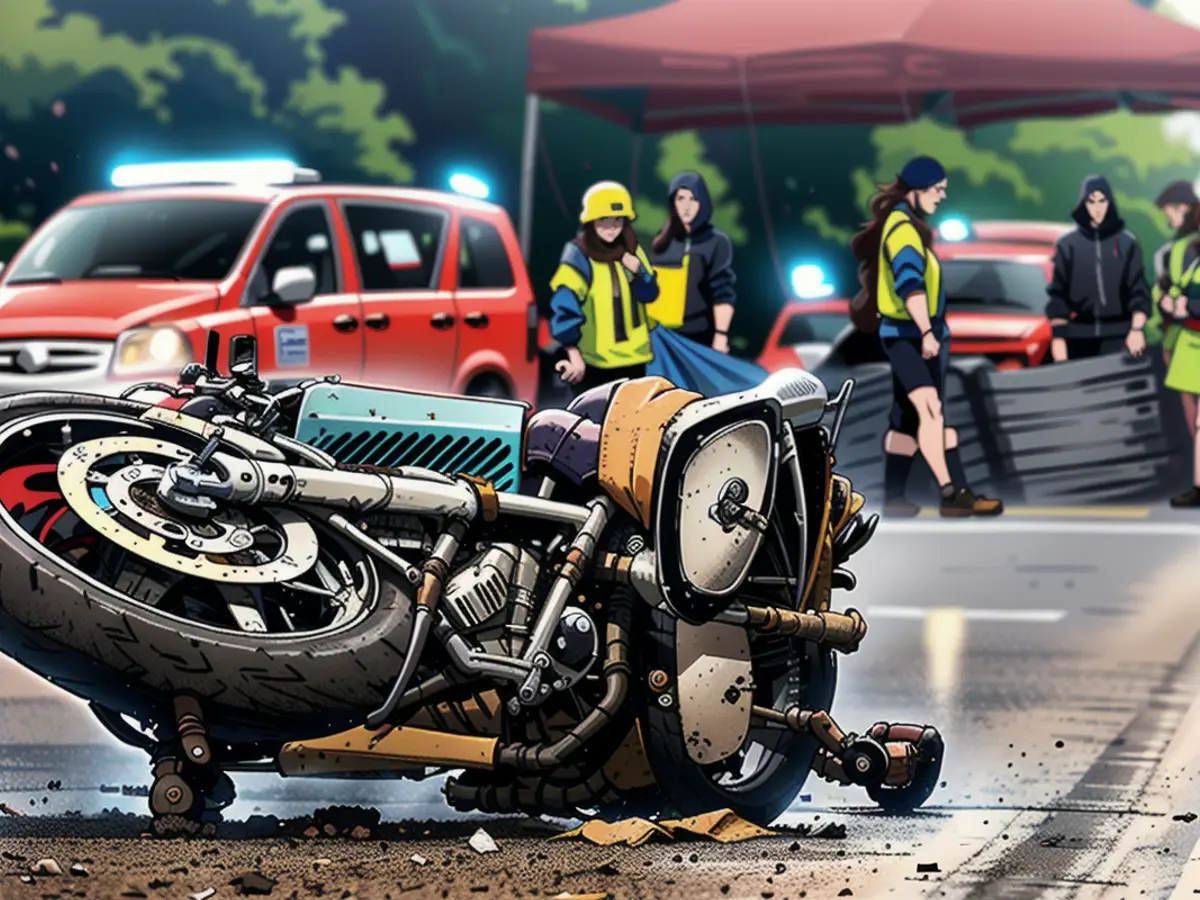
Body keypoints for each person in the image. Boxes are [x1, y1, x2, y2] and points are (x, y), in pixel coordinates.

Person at [848, 155, 1004, 519]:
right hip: (910, 336)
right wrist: (927, 332)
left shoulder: (903, 224)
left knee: (906, 419)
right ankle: (952, 493)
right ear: (917, 190)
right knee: (931, 410)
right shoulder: (903, 230)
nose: (942, 196)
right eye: (937, 189)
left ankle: (895, 498)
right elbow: (910, 284)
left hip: (906, 333)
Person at [641, 170, 767, 395]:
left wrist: (721, 335)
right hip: (661, 337)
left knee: (704, 392)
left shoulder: (716, 241)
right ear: (673, 203)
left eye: (693, 198)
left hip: (700, 336)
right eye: (681, 198)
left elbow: (722, 291)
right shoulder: (662, 241)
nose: (687, 206)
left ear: (703, 202)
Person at [548, 181, 659, 396]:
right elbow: (564, 307)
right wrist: (573, 352)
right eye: (604, 220)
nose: (612, 227)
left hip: (636, 360)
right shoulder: (579, 255)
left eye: (618, 220)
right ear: (591, 221)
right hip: (594, 365)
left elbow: (650, 294)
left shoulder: (632, 249)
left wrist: (638, 273)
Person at [1046, 175, 1151, 362]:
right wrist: (1058, 338)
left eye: (1102, 201)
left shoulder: (1128, 243)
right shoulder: (1067, 244)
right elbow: (1058, 293)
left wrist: (1137, 330)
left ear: (1109, 202)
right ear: (1083, 204)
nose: (1097, 208)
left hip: (1120, 335)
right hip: (1078, 336)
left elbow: (1139, 290)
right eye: (1091, 201)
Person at [1151, 180, 1200, 436]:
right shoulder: (1170, 250)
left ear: (1183, 207)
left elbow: (1170, 290)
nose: (1168, 216)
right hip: (1180, 330)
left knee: (1190, 401)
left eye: (1169, 209)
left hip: (1185, 332)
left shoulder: (1176, 250)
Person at [1162, 254, 1200, 508]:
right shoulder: (1196, 265)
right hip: (1190, 342)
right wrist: (1171, 300)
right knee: (1192, 417)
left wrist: (1189, 307)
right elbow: (1178, 289)